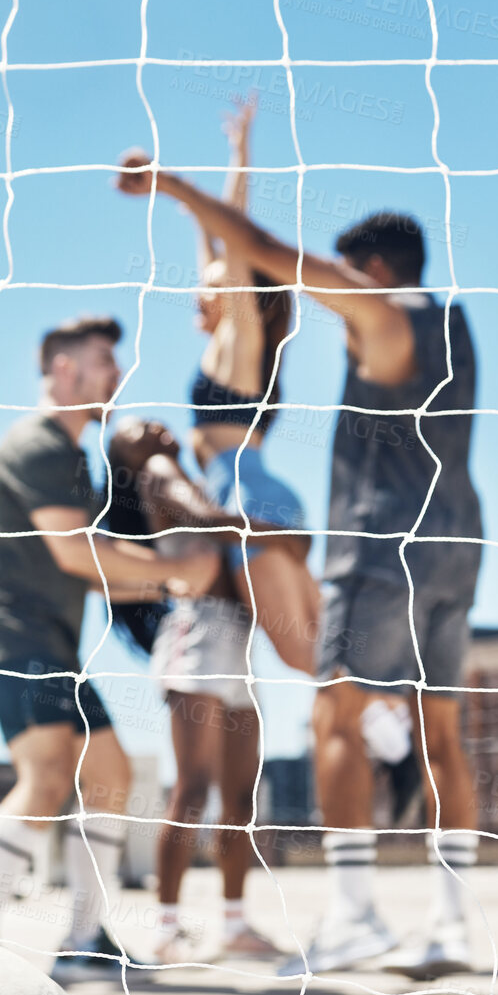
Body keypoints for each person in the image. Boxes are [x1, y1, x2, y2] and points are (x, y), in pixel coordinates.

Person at [117, 152, 483, 979]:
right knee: (398, 710)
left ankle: (354, 917)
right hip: (451, 539)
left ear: (374, 271)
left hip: (307, 517)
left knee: (328, 700)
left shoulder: (363, 315)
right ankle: (450, 923)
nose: (202, 289)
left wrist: (183, 186)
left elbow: (253, 251)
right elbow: (233, 256)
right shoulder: (452, 327)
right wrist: (228, 177)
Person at [0, 316, 219, 987]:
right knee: (46, 778)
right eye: (106, 359)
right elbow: (76, 553)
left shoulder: (73, 458)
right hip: (10, 632)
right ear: (63, 368)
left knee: (108, 771)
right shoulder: (38, 442)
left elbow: (92, 542)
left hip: (50, 641)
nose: (117, 373)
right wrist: (174, 572)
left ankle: (82, 939)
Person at [107, 417, 279, 964]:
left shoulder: (191, 471)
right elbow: (209, 521)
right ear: (126, 454)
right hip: (199, 632)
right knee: (195, 788)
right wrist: (283, 536)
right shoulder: (159, 470)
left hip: (234, 640)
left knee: (238, 797)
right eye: (136, 430)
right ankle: (166, 929)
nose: (153, 427)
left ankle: (231, 924)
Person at [173, 97, 318, 674]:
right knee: (317, 650)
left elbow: (232, 244)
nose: (198, 289)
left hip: (248, 503)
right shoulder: (226, 352)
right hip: (251, 496)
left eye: (213, 284)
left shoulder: (242, 345)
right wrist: (200, 227)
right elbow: (213, 248)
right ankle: (393, 726)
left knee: (305, 653)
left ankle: (398, 731)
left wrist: (241, 155)